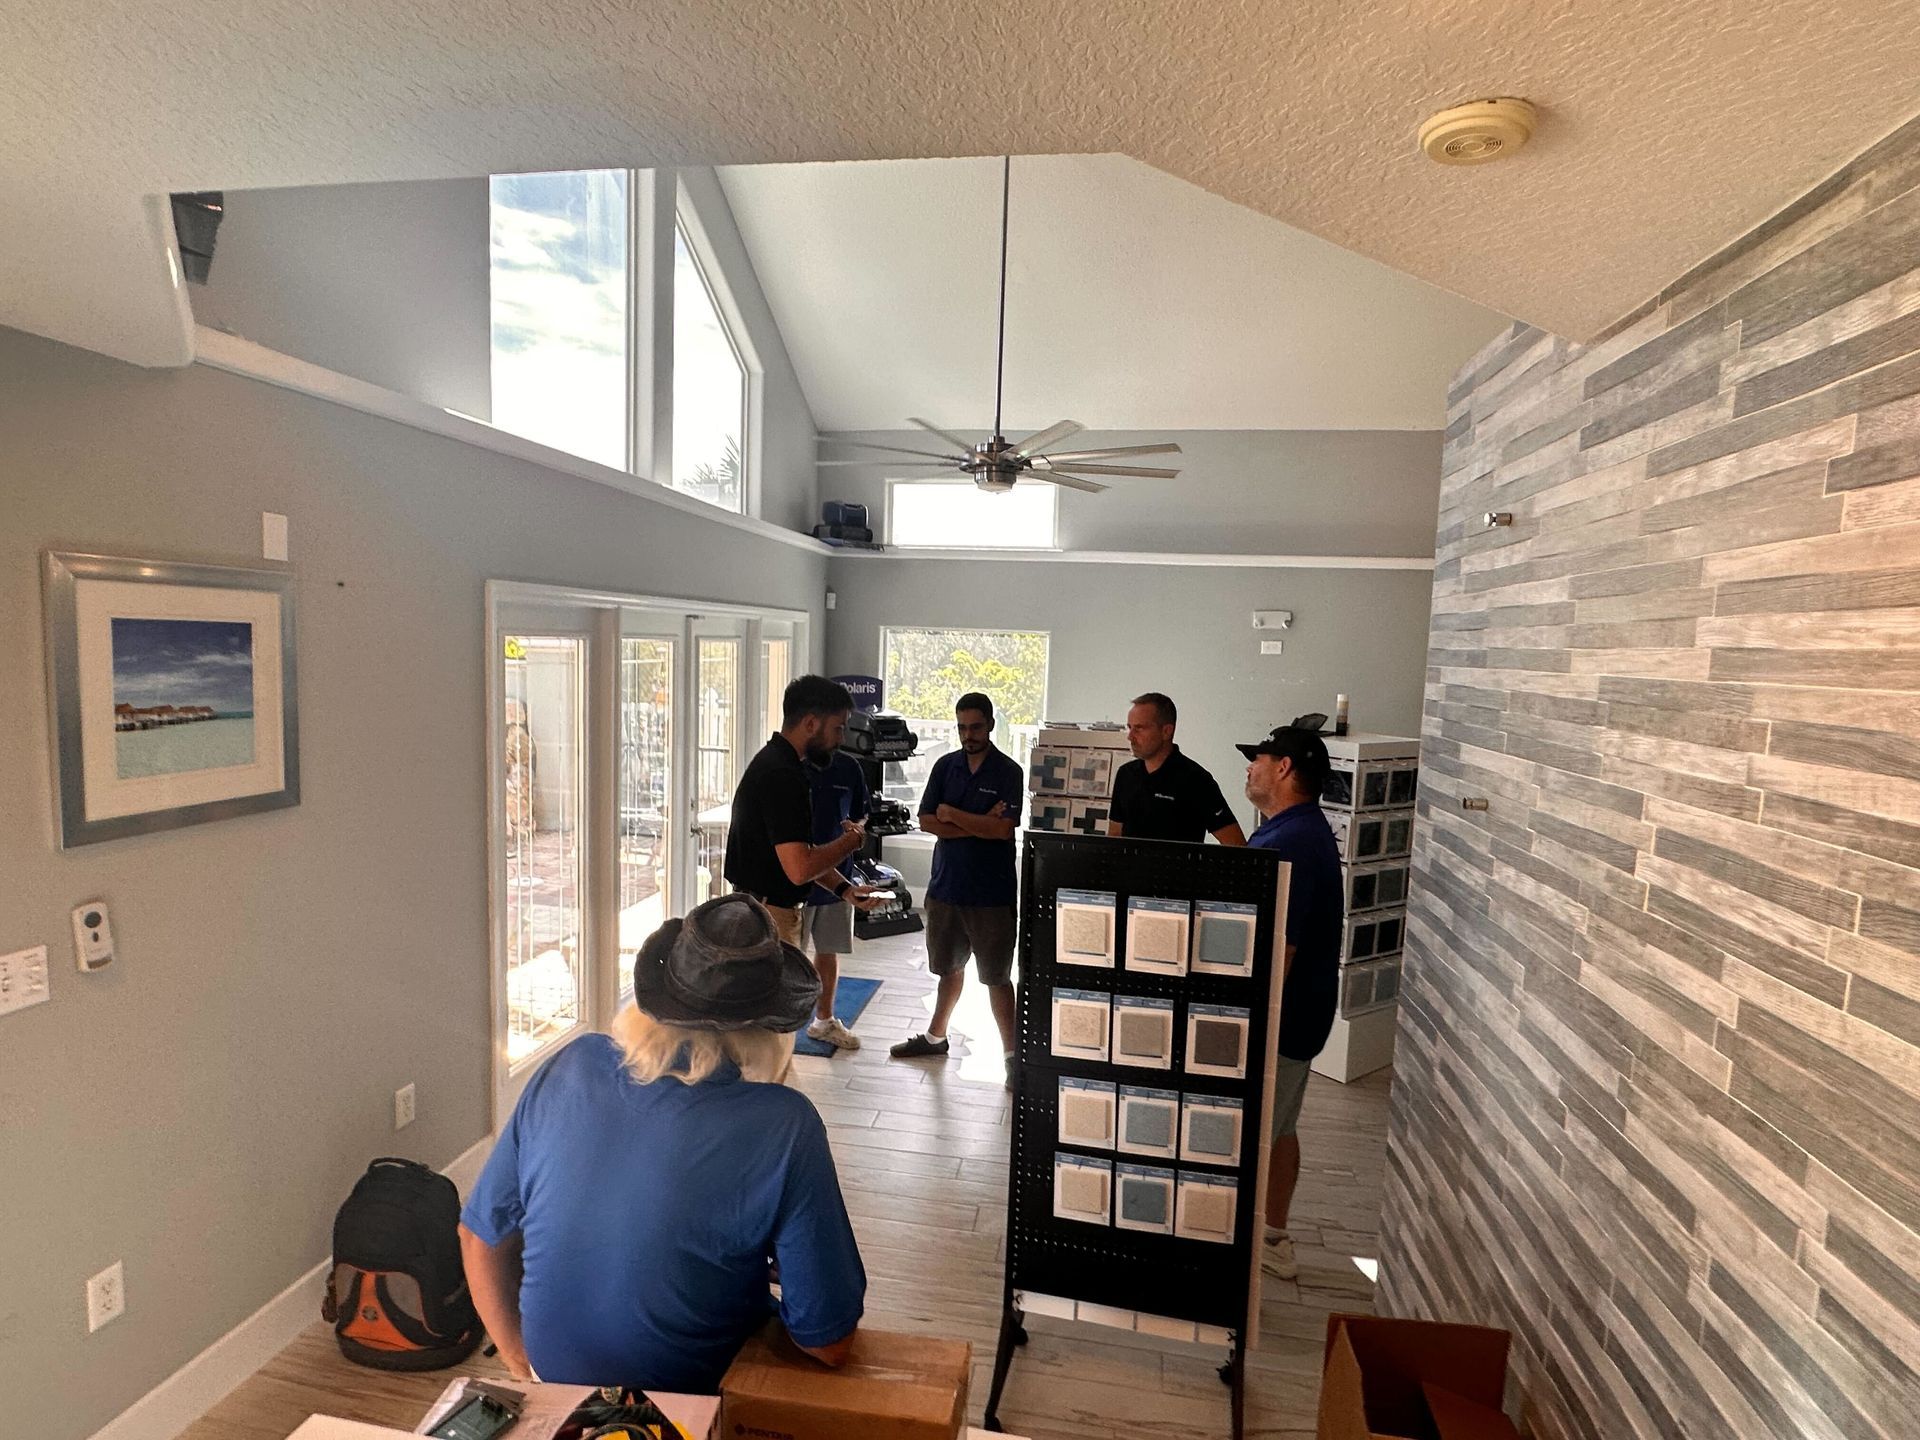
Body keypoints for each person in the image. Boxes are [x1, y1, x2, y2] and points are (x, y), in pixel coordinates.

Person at [458, 894, 867, 1392]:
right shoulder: (784, 1123)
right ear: (771, 1026)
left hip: (556, 1388)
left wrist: (524, 1363)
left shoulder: (574, 1062)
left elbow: (478, 1237)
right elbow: (828, 1342)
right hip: (688, 1408)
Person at [1236, 724, 1344, 1281]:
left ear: (1282, 768)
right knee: (1280, 1127)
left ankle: (1255, 1242)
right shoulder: (1294, 830)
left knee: (1256, 1133)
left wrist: (1243, 1022)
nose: (1248, 768)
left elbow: (1282, 949)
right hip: (1300, 1019)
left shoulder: (1291, 841)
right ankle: (1274, 1236)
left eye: (1256, 759)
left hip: (1283, 1021)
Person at [890, 692, 1024, 1082]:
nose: (969, 734)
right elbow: (928, 821)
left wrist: (955, 816)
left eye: (976, 727)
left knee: (997, 978)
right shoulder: (945, 767)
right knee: (948, 970)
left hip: (992, 895)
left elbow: (1002, 831)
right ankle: (936, 1037)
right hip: (946, 887)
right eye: (963, 727)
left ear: (991, 725)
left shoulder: (1008, 772)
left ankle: (1012, 1058)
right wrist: (977, 822)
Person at [725, 675, 878, 949]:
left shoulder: (778, 763)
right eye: (838, 728)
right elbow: (800, 868)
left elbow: (796, 854)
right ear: (811, 724)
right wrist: (852, 841)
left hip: (762, 910)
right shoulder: (782, 775)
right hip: (768, 916)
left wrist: (845, 889)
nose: (841, 739)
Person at [1107, 692, 1247, 845]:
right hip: (1128, 868)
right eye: (1130, 727)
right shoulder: (1125, 774)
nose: (1130, 737)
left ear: (1166, 731)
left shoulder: (1196, 780)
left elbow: (1236, 844)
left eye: (1139, 728)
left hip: (1177, 868)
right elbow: (1114, 834)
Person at [802, 746, 871, 1051]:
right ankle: (774, 1030)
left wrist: (857, 830)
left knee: (828, 949)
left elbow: (861, 813)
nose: (841, 734)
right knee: (786, 956)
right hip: (795, 876)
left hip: (838, 876)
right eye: (837, 726)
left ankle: (823, 1021)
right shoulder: (791, 765)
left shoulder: (849, 767)